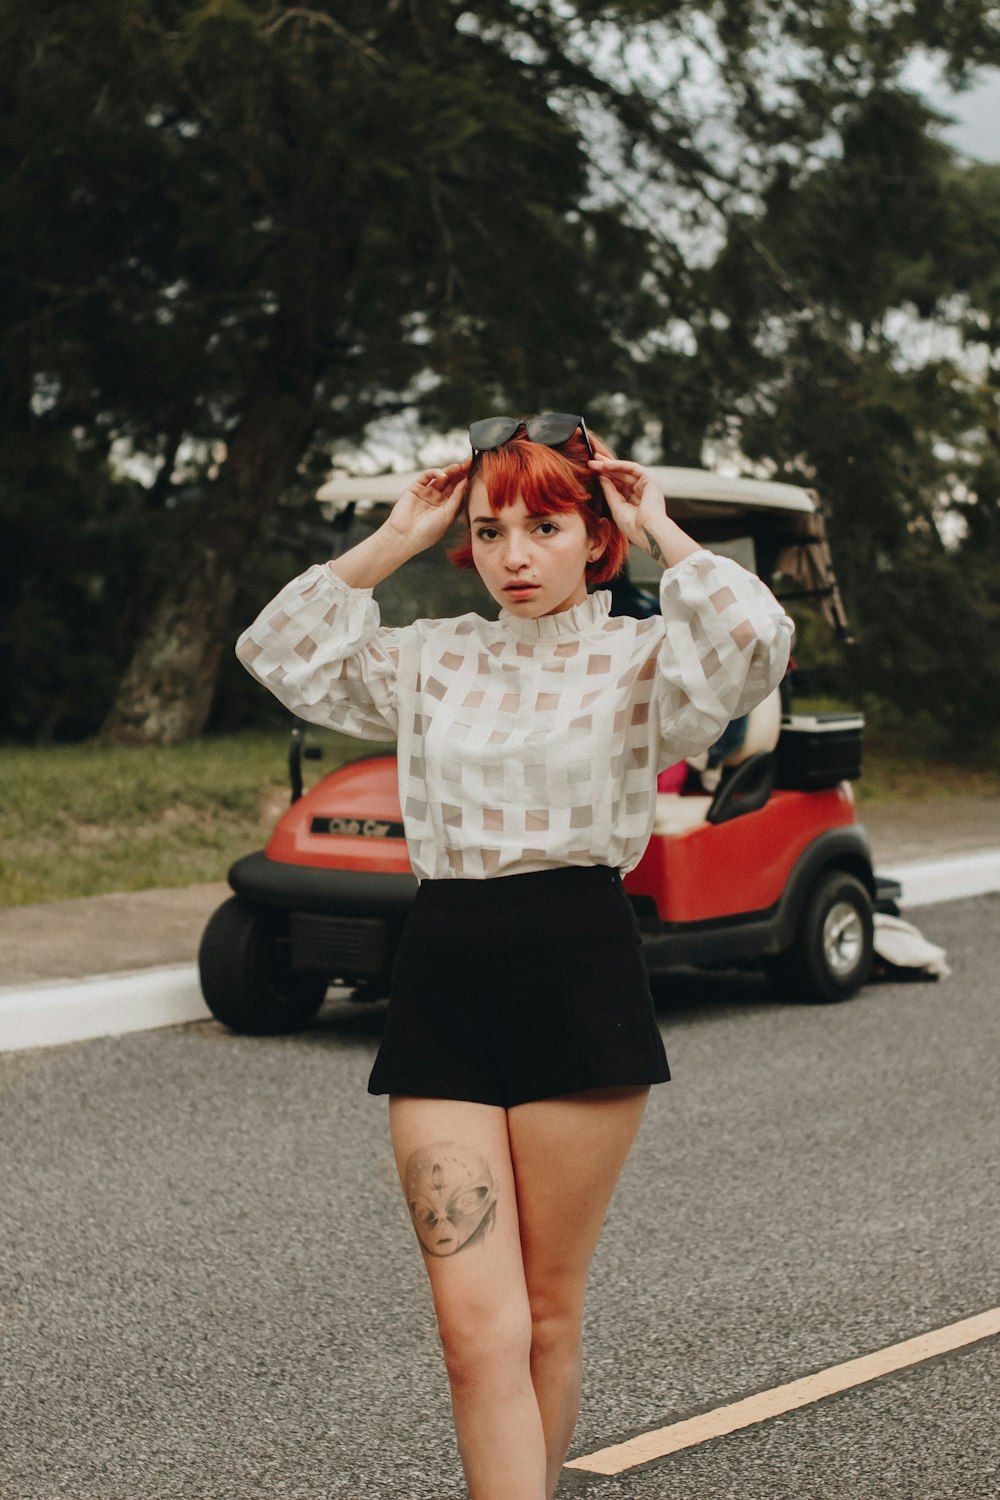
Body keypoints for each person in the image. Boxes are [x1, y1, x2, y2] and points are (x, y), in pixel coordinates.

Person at [235, 413, 794, 1500]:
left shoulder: (643, 659)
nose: (514, 554)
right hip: (444, 971)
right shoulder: (431, 655)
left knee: (542, 1313)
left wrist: (661, 528)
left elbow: (753, 643)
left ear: (593, 535)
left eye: (543, 526)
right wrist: (398, 535)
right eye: (490, 532)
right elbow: (278, 650)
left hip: (579, 972)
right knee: (469, 1332)